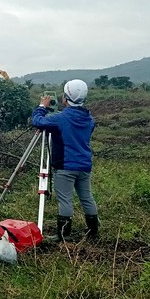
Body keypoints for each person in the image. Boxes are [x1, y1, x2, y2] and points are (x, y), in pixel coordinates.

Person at [31, 79, 99, 242]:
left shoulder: (61, 119)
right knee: (87, 197)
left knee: (65, 200)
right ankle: (93, 231)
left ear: (65, 98)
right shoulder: (89, 119)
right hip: (84, 166)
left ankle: (63, 235)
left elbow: (38, 122)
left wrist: (42, 108)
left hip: (65, 166)